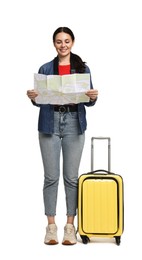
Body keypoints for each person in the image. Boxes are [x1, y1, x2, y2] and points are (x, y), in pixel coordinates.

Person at [27, 27, 98, 245]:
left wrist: (92, 97)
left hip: (74, 123)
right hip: (50, 121)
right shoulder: (46, 68)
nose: (63, 45)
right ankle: (50, 227)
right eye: (59, 41)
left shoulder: (82, 68)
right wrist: (33, 97)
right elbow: (39, 100)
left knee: (71, 177)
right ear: (54, 44)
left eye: (67, 41)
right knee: (51, 177)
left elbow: (89, 100)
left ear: (72, 42)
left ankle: (70, 226)